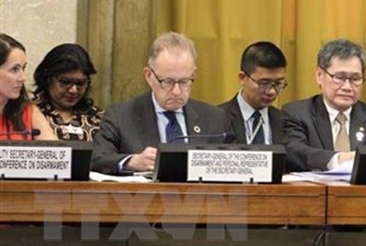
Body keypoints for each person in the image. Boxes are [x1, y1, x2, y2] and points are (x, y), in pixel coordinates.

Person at [91, 32, 233, 174]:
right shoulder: (120, 116)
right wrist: (131, 162)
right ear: (149, 76)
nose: (176, 91)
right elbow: (96, 159)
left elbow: (233, 166)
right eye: (168, 82)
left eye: (184, 82)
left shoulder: (215, 118)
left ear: (193, 75)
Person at [282, 39, 366, 171]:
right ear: (319, 76)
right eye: (339, 77)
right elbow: (293, 152)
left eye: (355, 79)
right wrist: (338, 159)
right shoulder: (297, 113)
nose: (347, 87)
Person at [32, 43, 104, 141]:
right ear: (48, 79)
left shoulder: (99, 118)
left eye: (80, 83)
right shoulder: (27, 112)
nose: (73, 90)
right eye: (65, 82)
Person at [218, 41, 287, 144]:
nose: (272, 91)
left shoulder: (284, 121)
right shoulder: (218, 118)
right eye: (264, 83)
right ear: (242, 78)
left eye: (278, 83)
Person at [0, 34, 56, 140]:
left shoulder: (28, 112)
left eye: (23, 68)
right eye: (14, 69)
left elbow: (56, 154)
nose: (22, 78)